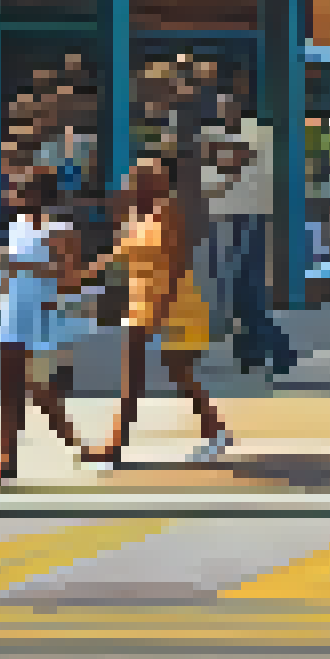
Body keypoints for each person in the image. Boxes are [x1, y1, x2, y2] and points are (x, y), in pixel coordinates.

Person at [82, 157, 227, 469]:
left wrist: (162, 306)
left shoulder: (168, 211)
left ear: (155, 183)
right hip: (141, 302)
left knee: (178, 370)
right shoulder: (135, 217)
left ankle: (213, 426)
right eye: (133, 177)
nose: (130, 183)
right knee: (133, 377)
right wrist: (81, 275)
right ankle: (115, 445)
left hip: (175, 303)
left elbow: (178, 262)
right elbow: (119, 254)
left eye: (139, 178)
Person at [0, 169, 91, 484]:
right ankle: (8, 458)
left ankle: (79, 446)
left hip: (43, 318)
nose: (13, 195)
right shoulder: (17, 225)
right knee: (11, 391)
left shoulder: (62, 230)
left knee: (40, 390)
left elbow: (71, 279)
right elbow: (11, 272)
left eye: (20, 189)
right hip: (12, 315)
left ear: (37, 194)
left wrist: (25, 266)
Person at [199, 95, 294, 378]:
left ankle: (278, 349)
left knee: (247, 291)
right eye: (220, 108)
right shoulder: (214, 134)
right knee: (235, 295)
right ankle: (250, 354)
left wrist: (213, 159)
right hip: (221, 218)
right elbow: (211, 170)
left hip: (248, 217)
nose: (224, 113)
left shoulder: (255, 132)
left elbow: (229, 164)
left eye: (229, 107)